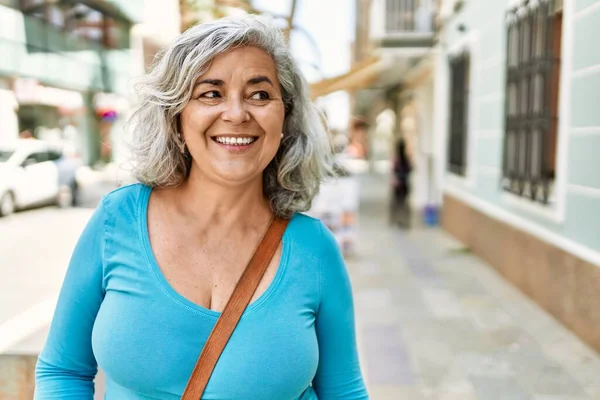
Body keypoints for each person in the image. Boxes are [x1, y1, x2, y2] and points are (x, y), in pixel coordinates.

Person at [35, 15, 369, 400]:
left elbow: (345, 392)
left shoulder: (314, 248)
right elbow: (62, 371)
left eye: (260, 94)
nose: (237, 113)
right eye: (210, 93)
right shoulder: (118, 220)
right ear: (177, 118)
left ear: (285, 118)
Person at [390, 138, 412, 227]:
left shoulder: (397, 159)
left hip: (398, 184)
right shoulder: (406, 159)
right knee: (404, 203)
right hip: (405, 183)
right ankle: (404, 220)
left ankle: (397, 219)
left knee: (397, 203)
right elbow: (410, 169)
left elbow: (394, 170)